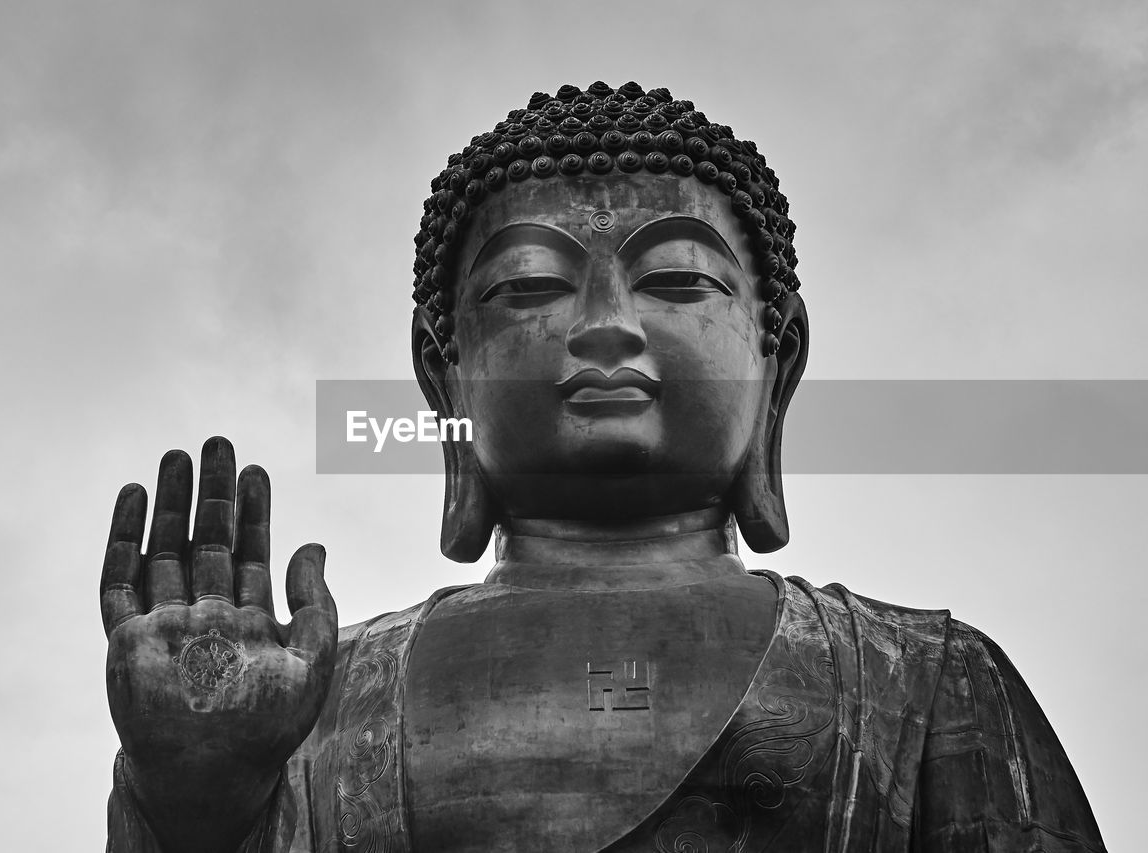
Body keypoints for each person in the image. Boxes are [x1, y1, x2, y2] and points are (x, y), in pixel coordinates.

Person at [100, 82, 1105, 852]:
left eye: (675, 280)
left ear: (776, 357)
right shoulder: (319, 701)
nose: (605, 328)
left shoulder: (924, 682)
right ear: (439, 374)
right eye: (528, 287)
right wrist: (194, 801)